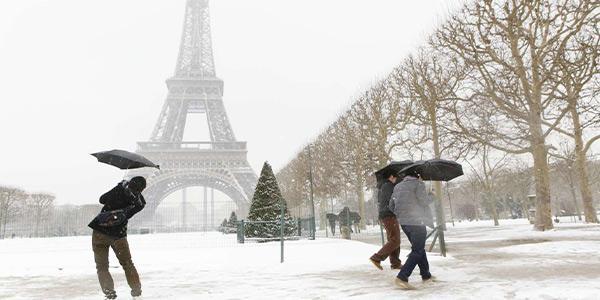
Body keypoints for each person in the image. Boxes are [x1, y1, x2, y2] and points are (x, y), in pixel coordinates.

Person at [88, 176, 147, 299]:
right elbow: (136, 205)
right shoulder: (139, 203)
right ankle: (136, 291)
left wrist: (120, 186)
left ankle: (109, 293)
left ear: (130, 183)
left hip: (100, 231)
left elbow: (102, 199)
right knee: (127, 264)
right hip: (118, 235)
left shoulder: (119, 190)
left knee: (102, 266)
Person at [388, 170, 435, 290]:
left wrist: (402, 215)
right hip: (417, 222)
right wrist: (432, 195)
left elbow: (391, 206)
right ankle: (402, 277)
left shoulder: (398, 186)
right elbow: (424, 201)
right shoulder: (418, 185)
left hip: (404, 223)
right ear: (417, 175)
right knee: (417, 250)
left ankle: (426, 275)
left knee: (419, 248)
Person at [369, 172, 402, 270]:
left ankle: (395, 263)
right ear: (391, 176)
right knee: (395, 240)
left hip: (386, 214)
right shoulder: (388, 186)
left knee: (393, 239)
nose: (396, 180)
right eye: (396, 178)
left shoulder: (383, 186)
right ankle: (376, 258)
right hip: (389, 214)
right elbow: (391, 200)